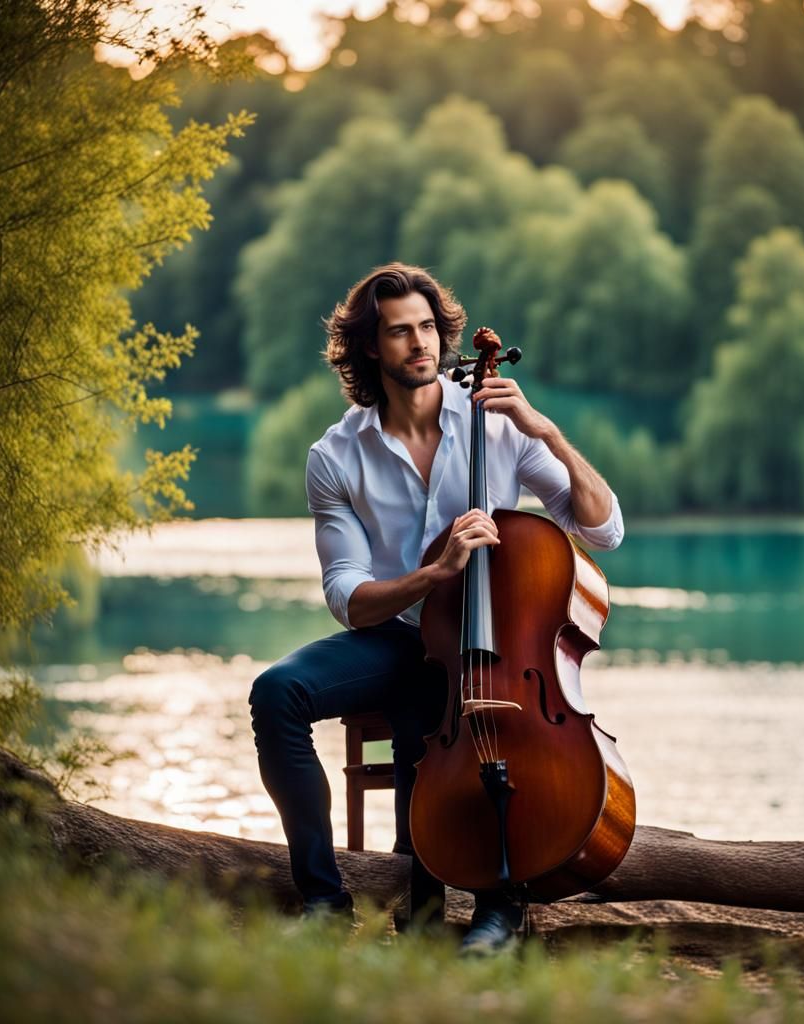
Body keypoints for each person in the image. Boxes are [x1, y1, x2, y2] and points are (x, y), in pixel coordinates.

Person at [249, 263, 624, 953]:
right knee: (277, 693)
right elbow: (348, 598)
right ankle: (324, 901)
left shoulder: (498, 425)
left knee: (436, 720)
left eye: (427, 327)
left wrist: (548, 432)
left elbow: (604, 529)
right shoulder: (335, 456)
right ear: (370, 347)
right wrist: (433, 573)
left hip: (493, 643)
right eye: (400, 332)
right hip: (398, 636)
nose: (419, 343)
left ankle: (495, 906)